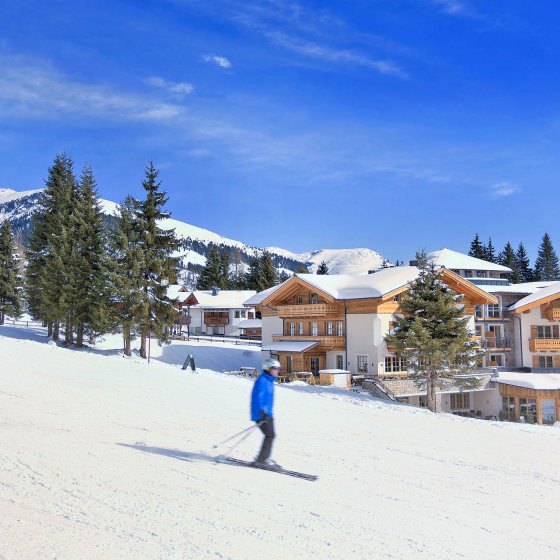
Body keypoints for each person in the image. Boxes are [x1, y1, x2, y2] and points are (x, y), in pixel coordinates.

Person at [250, 357, 281, 469]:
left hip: (267, 414)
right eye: (275, 368)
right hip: (261, 414)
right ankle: (262, 460)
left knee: (270, 435)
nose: (277, 370)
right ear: (268, 368)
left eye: (278, 368)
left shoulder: (269, 381)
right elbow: (257, 399)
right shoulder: (262, 381)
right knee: (270, 435)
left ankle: (263, 458)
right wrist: (262, 414)